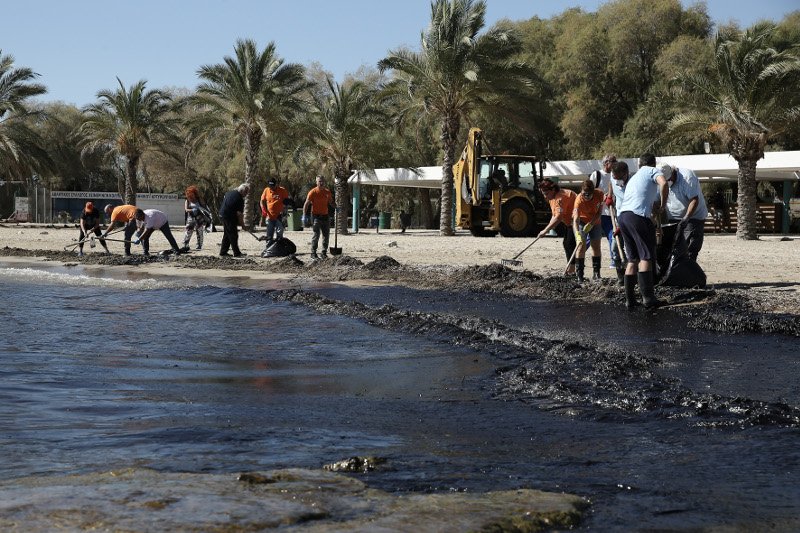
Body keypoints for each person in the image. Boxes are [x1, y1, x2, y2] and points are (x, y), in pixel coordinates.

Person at [615, 153, 669, 309]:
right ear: (653, 163)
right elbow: (663, 184)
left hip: (623, 216)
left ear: (639, 164)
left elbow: (641, 197)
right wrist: (663, 206)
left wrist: (653, 210)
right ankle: (648, 298)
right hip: (637, 217)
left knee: (632, 259)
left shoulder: (635, 177)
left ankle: (630, 300)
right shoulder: (652, 171)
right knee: (646, 256)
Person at [660, 163, 708, 262]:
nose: (668, 182)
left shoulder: (687, 177)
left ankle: (688, 270)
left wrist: (686, 218)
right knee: (672, 248)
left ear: (673, 172)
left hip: (693, 217)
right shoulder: (658, 179)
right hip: (672, 217)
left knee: (689, 248)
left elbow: (694, 199)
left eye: (669, 180)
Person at [536, 178, 578, 274]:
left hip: (578, 221)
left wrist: (545, 231)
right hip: (569, 222)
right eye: (543, 194)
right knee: (567, 244)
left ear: (553, 190)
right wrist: (547, 229)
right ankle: (571, 268)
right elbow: (554, 215)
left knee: (570, 244)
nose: (545, 197)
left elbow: (558, 217)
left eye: (546, 194)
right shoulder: (552, 198)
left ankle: (573, 270)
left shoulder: (561, 197)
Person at [591, 154, 623, 269]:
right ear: (606, 163)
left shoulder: (616, 175)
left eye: (615, 162)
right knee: (591, 238)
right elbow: (589, 191)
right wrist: (601, 196)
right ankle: (578, 259)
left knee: (612, 236)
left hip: (610, 212)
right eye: (612, 162)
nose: (615, 164)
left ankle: (614, 260)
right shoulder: (597, 175)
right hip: (597, 212)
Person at [572, 179, 605, 281]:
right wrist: (577, 233)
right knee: (581, 247)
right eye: (584, 194)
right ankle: (580, 275)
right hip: (581, 221)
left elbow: (599, 213)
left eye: (588, 195)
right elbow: (576, 219)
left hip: (595, 221)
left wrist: (591, 223)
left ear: (592, 192)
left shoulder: (599, 194)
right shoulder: (578, 200)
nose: (586, 197)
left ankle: (596, 273)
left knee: (596, 246)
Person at [302, 175, 334, 260]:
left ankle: (323, 253)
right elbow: (306, 204)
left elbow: (331, 202)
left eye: (322, 181)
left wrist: (337, 207)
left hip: (325, 216)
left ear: (324, 182)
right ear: (316, 182)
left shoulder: (327, 192)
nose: (321, 183)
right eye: (319, 181)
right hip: (316, 216)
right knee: (316, 234)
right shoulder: (313, 192)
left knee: (326, 235)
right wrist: (304, 215)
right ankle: (313, 253)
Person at [259, 178, 292, 254]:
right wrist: (264, 210)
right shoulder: (266, 190)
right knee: (269, 234)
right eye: (270, 186)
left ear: (276, 184)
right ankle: (268, 248)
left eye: (273, 185)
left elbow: (286, 202)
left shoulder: (282, 190)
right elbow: (262, 201)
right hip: (270, 216)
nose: (272, 187)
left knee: (279, 232)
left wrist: (285, 213)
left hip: (279, 216)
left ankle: (279, 248)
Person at [218, 183, 250, 257]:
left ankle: (223, 252)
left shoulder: (230, 193)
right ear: (242, 191)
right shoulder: (239, 199)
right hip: (229, 216)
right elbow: (239, 214)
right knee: (233, 234)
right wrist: (243, 225)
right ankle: (237, 253)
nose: (246, 194)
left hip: (222, 215)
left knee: (227, 234)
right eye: (246, 192)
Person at [183, 185, 211, 251]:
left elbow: (204, 207)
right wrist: (193, 210)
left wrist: (201, 210)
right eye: (189, 194)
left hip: (199, 218)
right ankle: (185, 244)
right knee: (188, 231)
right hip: (191, 218)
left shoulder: (199, 199)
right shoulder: (187, 201)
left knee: (199, 232)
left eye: (191, 194)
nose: (190, 196)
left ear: (194, 193)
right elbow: (186, 209)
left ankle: (199, 245)